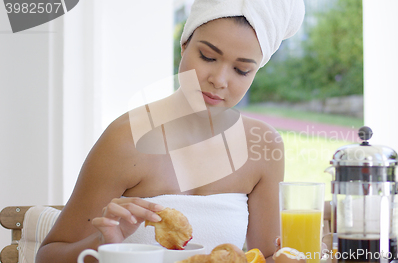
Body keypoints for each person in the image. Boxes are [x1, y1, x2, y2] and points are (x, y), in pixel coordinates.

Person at [36, 0, 304, 262]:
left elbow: (267, 256)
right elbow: (47, 256)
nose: (219, 80)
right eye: (208, 57)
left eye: (241, 70)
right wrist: (103, 243)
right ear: (185, 44)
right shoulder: (127, 139)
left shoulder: (263, 145)